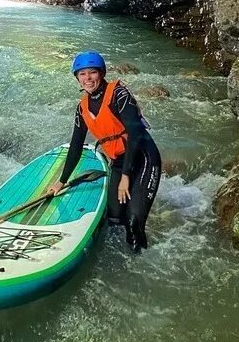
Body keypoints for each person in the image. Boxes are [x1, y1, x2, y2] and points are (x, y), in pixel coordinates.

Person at [47, 51, 161, 252]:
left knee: (133, 221)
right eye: (82, 74)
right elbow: (75, 145)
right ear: (77, 78)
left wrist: (126, 176)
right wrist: (61, 181)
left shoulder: (119, 95)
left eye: (92, 73)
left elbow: (134, 134)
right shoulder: (82, 108)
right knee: (115, 218)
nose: (87, 79)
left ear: (101, 73)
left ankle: (138, 264)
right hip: (118, 161)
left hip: (143, 158)